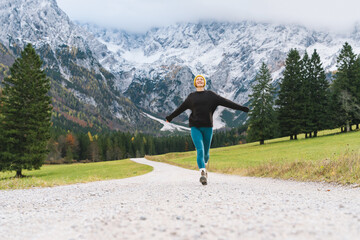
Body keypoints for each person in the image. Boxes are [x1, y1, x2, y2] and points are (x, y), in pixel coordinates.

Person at [166, 75, 249, 185]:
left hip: (208, 127)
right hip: (195, 127)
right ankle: (203, 172)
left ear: (204, 82)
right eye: (197, 79)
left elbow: (226, 102)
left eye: (201, 79)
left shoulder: (211, 95)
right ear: (195, 83)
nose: (199, 80)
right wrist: (170, 117)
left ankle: (204, 164)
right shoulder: (191, 97)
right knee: (200, 150)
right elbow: (180, 108)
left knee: (206, 153)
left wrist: (242, 108)